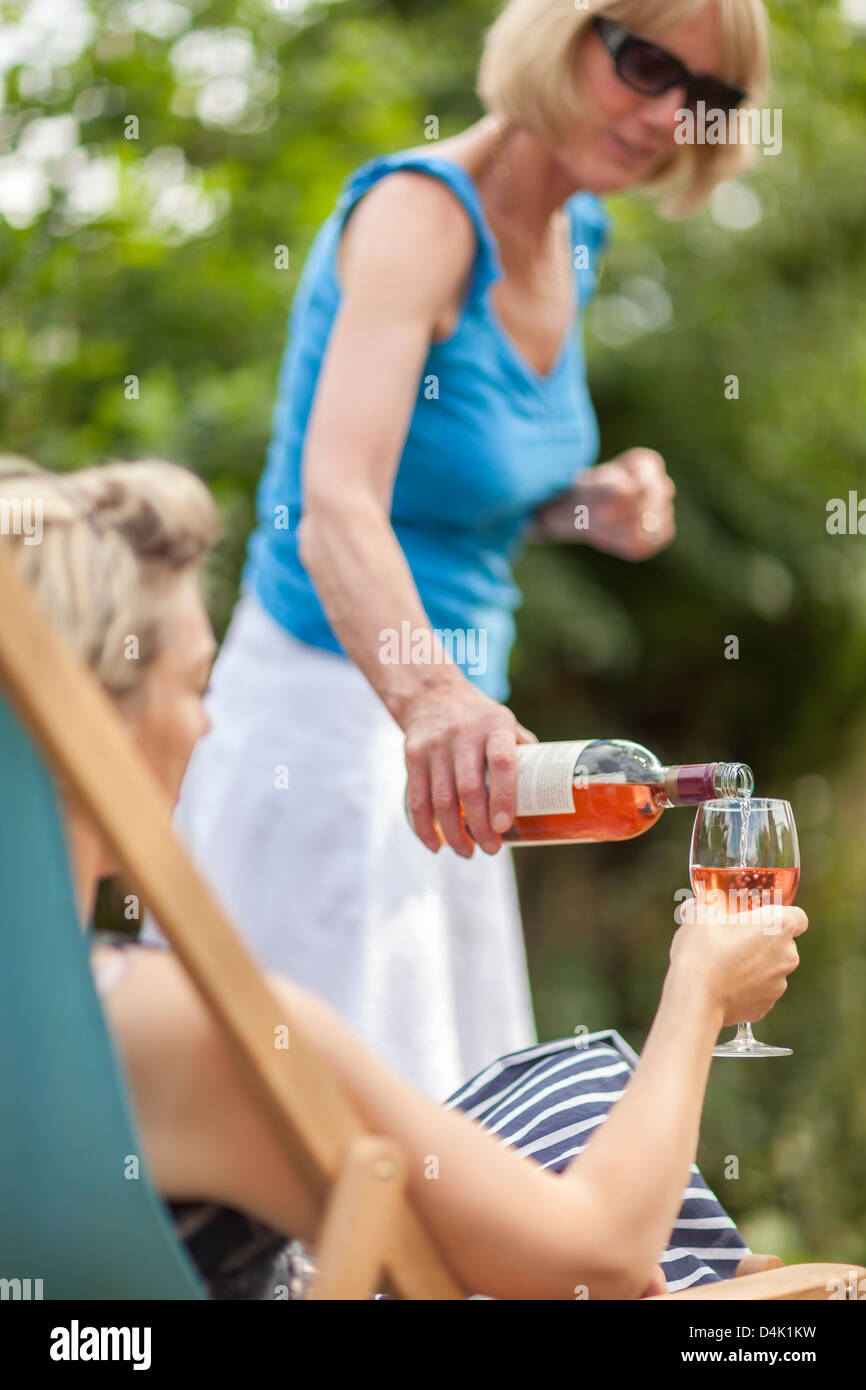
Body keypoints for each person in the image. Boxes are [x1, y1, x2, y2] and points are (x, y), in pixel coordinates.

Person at [148, 0, 772, 1099]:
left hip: (462, 743)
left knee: (447, 1133)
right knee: (326, 1152)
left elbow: (462, 494)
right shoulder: (420, 213)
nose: (668, 112)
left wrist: (587, 507)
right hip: (336, 722)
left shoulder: (577, 232)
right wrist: (429, 696)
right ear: (558, 33)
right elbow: (334, 497)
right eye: (644, 63)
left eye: (707, 98)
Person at [0, 458, 806, 1299]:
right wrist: (699, 991)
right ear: (95, 723)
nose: (208, 728)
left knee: (568, 1093)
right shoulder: (189, 1029)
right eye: (196, 686)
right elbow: (596, 1256)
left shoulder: (45, 1024)